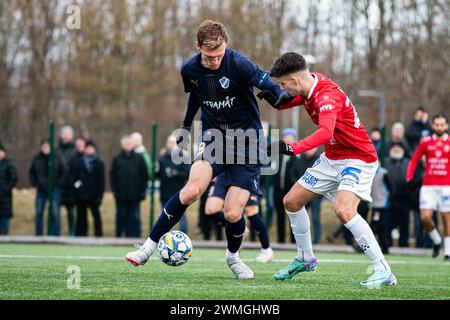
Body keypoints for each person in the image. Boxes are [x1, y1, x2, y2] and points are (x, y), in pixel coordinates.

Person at [124, 19, 287, 280]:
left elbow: (266, 82)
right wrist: (186, 127)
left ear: (226, 46)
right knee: (191, 191)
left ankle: (233, 258)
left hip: (248, 143)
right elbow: (195, 96)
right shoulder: (188, 69)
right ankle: (147, 248)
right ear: (197, 46)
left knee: (233, 212)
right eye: (209, 56)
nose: (214, 61)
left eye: (219, 55)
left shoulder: (238, 63)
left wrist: (280, 96)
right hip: (214, 139)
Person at [265, 52, 396, 287]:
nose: (282, 89)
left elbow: (325, 132)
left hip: (358, 158)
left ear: (295, 81)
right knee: (292, 202)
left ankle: (383, 271)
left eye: (283, 85)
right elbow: (293, 100)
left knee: (344, 210)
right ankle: (305, 258)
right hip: (333, 158)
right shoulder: (310, 85)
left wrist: (292, 147)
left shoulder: (326, 95)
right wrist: (276, 99)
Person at [406, 114, 450, 262]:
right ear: (433, 126)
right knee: (425, 217)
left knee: (446, 219)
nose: (439, 127)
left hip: (446, 186)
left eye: (442, 125)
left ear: (446, 126)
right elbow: (414, 160)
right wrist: (409, 175)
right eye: (437, 125)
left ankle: (448, 252)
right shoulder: (426, 143)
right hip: (428, 186)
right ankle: (437, 241)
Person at [205, 172, 274, 262]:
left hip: (244, 171)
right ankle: (241, 228)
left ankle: (266, 250)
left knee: (251, 212)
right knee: (211, 210)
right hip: (223, 174)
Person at [111, 135, 148, 238]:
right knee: (121, 217)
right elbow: (112, 176)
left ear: (133, 145)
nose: (127, 145)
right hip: (120, 195)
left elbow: (144, 176)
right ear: (122, 145)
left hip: (135, 196)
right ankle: (119, 237)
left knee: (135, 218)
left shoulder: (139, 158)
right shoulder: (116, 159)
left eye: (129, 143)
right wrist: (115, 191)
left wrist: (142, 191)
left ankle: (135, 238)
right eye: (125, 144)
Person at [29, 139, 67, 236]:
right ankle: (38, 234)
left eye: (47, 145)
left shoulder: (57, 157)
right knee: (39, 213)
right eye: (44, 145)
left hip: (54, 189)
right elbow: (31, 173)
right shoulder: (37, 158)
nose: (46, 147)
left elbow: (64, 171)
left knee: (55, 213)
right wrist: (35, 185)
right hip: (41, 189)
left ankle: (56, 235)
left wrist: (58, 184)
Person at [272, 128, 303, 243]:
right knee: (280, 216)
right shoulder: (278, 154)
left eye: (291, 137)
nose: (288, 139)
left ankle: (293, 241)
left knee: (292, 217)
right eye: (286, 137)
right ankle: (280, 240)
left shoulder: (297, 155)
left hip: (291, 191)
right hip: (278, 190)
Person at [158, 134, 190, 234]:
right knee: (165, 216)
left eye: (173, 143)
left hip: (179, 193)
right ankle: (164, 237)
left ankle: (184, 235)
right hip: (165, 192)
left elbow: (187, 174)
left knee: (181, 216)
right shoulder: (162, 158)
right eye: (169, 142)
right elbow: (157, 174)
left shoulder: (183, 158)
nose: (171, 145)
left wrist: (175, 173)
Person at [72, 140, 104, 237]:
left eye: (91, 148)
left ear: (94, 149)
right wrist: (76, 192)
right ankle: (81, 236)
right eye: (87, 148)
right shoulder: (79, 162)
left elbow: (101, 181)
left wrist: (99, 196)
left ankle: (98, 236)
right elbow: (75, 178)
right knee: (81, 217)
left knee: (96, 217)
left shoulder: (99, 163)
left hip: (94, 196)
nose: (89, 150)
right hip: (81, 195)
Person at [293, 147, 323, 245]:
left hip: (316, 195)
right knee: (301, 219)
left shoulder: (320, 160)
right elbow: (292, 175)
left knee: (315, 218)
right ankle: (302, 242)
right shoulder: (298, 160)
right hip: (302, 195)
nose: (310, 150)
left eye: (312, 148)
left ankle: (316, 242)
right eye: (308, 148)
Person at [384, 144, 412, 247]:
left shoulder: (408, 163)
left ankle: (404, 246)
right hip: (389, 200)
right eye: (394, 147)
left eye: (399, 148)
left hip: (404, 199)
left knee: (404, 225)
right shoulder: (385, 162)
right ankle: (387, 245)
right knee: (388, 224)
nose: (396, 149)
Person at [57, 125, 78, 236]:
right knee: (56, 213)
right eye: (64, 133)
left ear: (71, 135)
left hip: (71, 185)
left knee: (71, 212)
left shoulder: (75, 149)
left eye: (68, 134)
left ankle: (72, 233)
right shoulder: (56, 148)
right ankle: (56, 234)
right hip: (59, 185)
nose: (66, 136)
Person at [369, 165, 394, 254]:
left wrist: (390, 200)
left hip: (382, 203)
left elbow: (391, 187)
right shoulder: (369, 172)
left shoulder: (383, 173)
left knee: (374, 225)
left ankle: (366, 245)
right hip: (375, 203)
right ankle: (385, 247)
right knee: (381, 227)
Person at [0, 145, 18, 235]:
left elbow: (13, 178)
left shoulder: (9, 163)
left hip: (6, 195)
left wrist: (6, 190)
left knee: (5, 215)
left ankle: (5, 233)